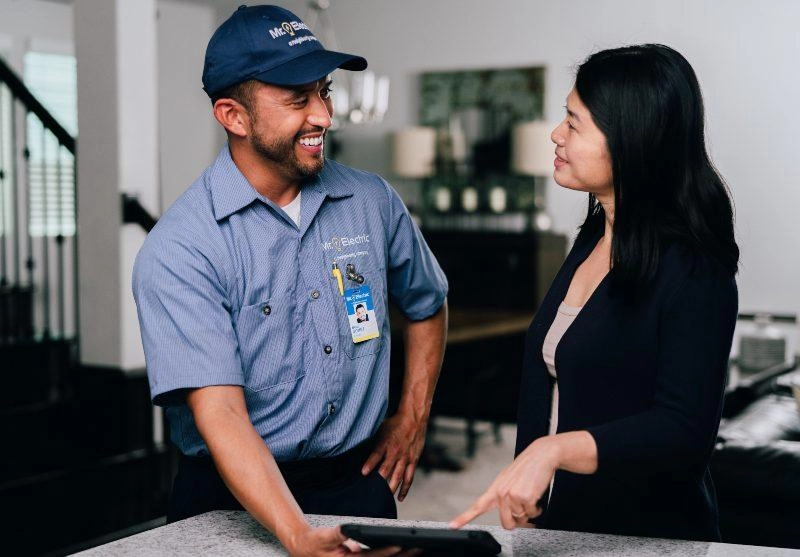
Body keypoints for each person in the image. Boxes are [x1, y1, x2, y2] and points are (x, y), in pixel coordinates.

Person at [132, 5, 448, 556]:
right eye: (298, 99)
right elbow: (223, 414)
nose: (324, 115)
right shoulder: (182, 246)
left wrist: (413, 417)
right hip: (227, 506)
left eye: (324, 92)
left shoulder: (373, 202)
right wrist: (296, 533)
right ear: (234, 116)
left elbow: (427, 302)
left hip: (358, 485)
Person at [451, 44, 739, 542]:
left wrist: (552, 451)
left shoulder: (695, 267)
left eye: (573, 122)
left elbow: (685, 431)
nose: (555, 134)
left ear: (630, 139)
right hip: (562, 526)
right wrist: (531, 477)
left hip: (647, 537)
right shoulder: (592, 236)